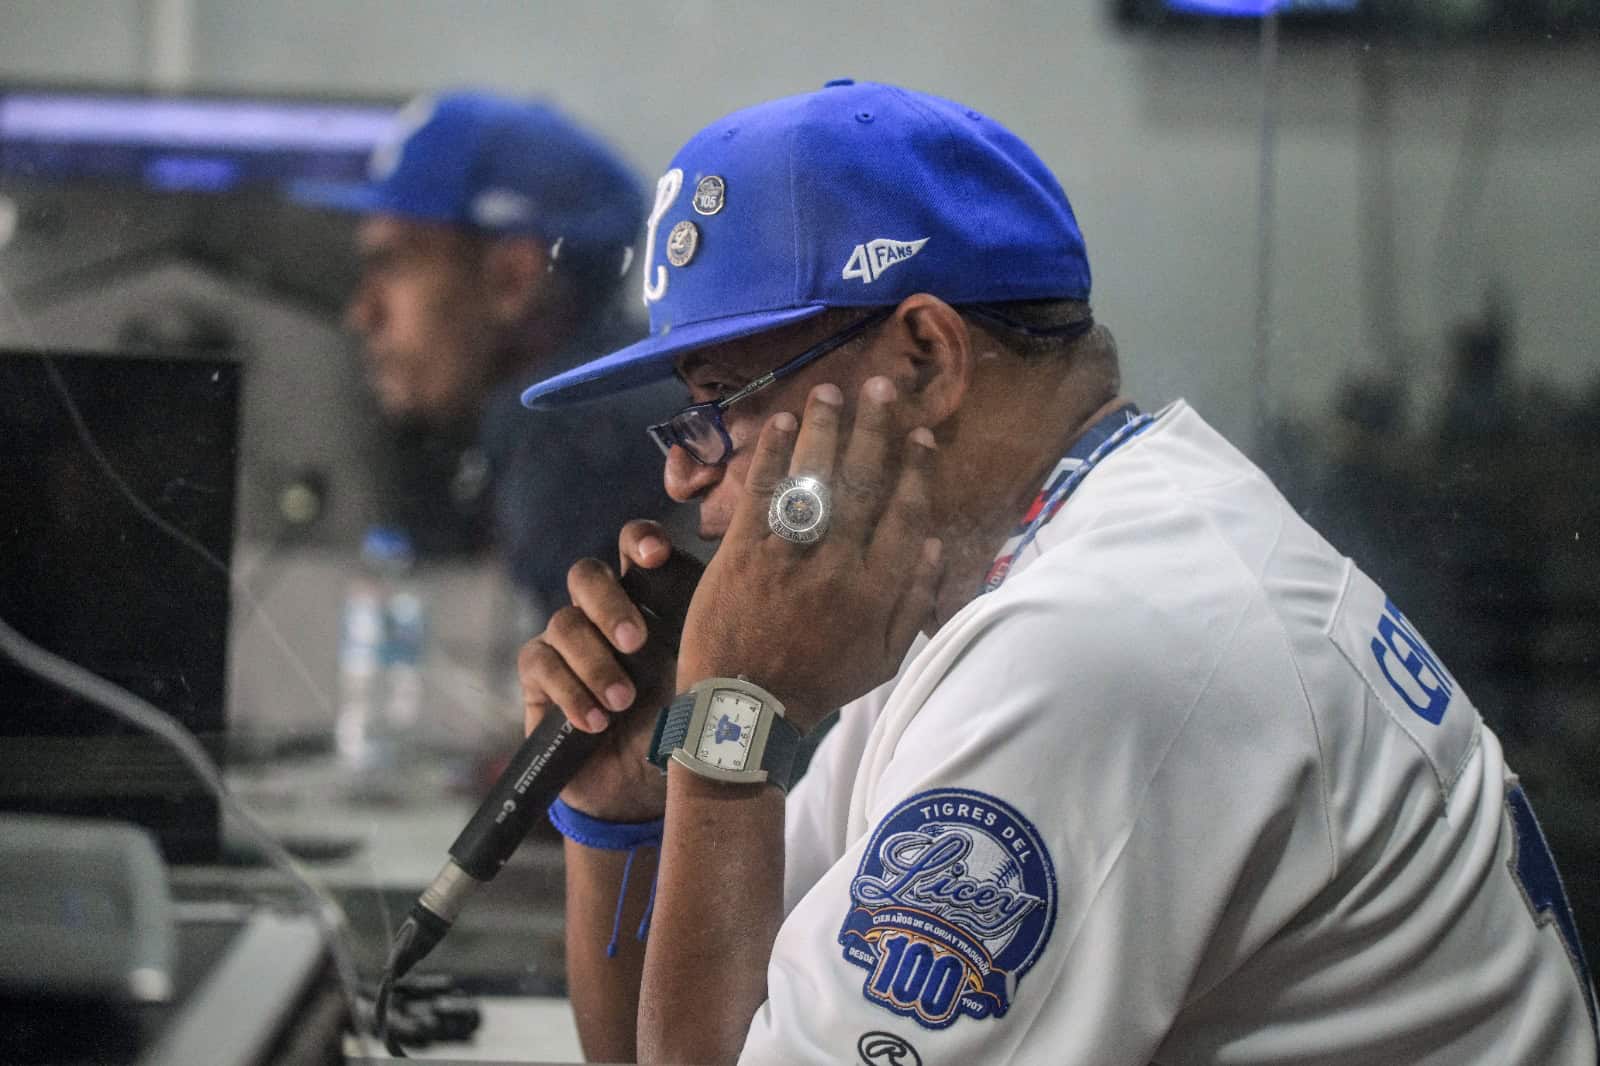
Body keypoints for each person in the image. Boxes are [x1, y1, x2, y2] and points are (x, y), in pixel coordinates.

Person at [515, 80, 1598, 1064]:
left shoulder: (1097, 640)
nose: (688, 484)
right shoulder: (983, 575)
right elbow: (714, 1027)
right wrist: (631, 812)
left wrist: (723, 725)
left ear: (924, 360)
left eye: (719, 408)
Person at [297, 90, 681, 612]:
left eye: (392, 264)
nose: (361, 314)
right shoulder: (630, 399)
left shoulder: (572, 439)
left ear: (513, 280)